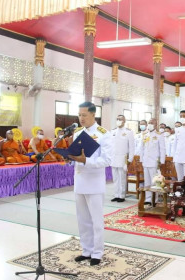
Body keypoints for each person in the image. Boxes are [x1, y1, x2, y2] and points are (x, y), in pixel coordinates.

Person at [68, 101, 113, 266]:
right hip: (79, 181)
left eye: (84, 115)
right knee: (82, 219)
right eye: (79, 115)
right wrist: (69, 158)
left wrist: (85, 160)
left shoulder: (104, 134)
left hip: (94, 182)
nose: (81, 118)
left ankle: (97, 252)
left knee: (96, 219)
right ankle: (86, 250)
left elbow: (107, 160)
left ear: (94, 114)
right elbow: (75, 155)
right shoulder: (78, 132)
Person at [140, 118, 166, 205]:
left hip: (154, 161)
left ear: (156, 124)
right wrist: (141, 160)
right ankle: (147, 199)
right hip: (146, 161)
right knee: (147, 181)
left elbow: (162, 149)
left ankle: (154, 199)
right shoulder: (145, 134)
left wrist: (162, 161)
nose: (150, 124)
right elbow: (142, 148)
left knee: (154, 181)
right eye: (149, 122)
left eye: (152, 123)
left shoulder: (159, 135)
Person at [111, 115, 135, 202]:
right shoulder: (113, 131)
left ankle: (121, 195)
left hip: (123, 158)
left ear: (124, 121)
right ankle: (116, 194)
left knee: (122, 178)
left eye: (120, 119)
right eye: (117, 119)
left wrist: (130, 159)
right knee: (115, 178)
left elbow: (132, 147)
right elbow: (111, 146)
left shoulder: (128, 132)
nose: (118, 120)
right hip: (114, 158)